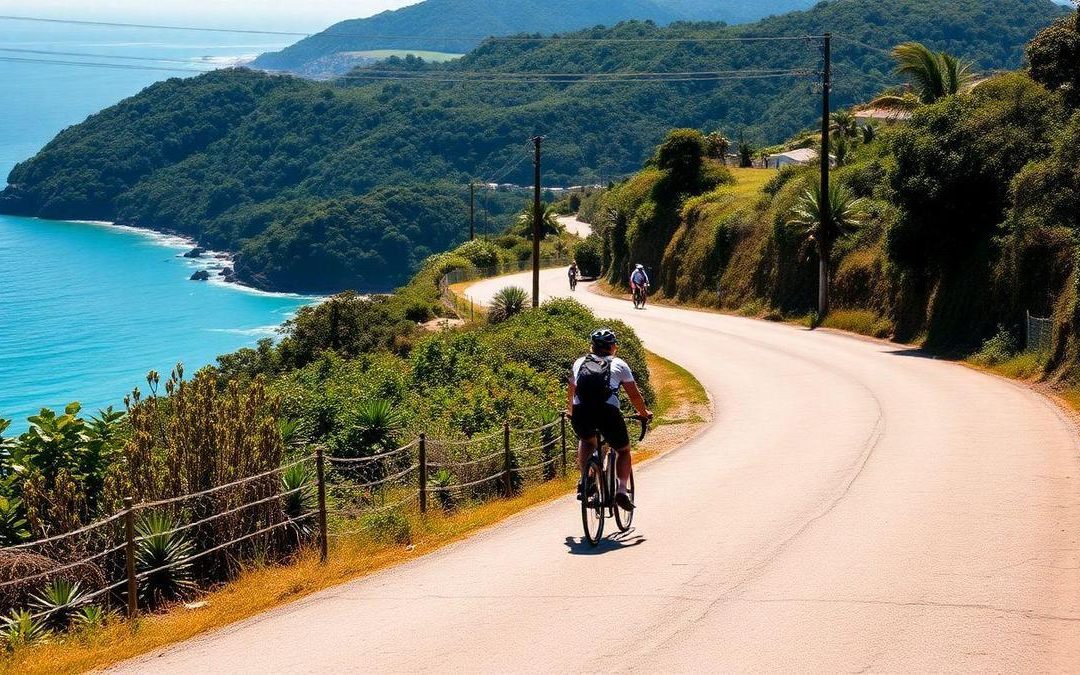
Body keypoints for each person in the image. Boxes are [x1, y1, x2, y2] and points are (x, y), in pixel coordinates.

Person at [568, 329, 652, 510]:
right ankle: (621, 490)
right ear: (613, 347)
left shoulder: (579, 362)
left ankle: (586, 478)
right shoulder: (619, 364)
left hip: (581, 412)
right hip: (607, 413)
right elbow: (635, 397)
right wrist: (643, 413)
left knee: (587, 440)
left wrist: (570, 412)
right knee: (623, 450)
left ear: (592, 346)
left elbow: (571, 390)